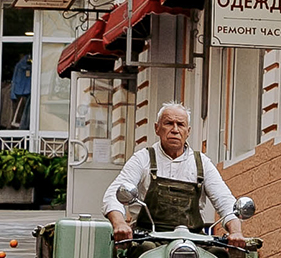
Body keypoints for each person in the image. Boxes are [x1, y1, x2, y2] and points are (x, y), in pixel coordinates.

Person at [101, 102, 245, 240]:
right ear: (157, 128)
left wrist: (236, 232)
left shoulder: (201, 163)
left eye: (180, 125)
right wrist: (119, 223)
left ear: (188, 131)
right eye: (169, 123)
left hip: (192, 241)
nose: (175, 130)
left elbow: (225, 201)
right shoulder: (142, 158)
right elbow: (114, 194)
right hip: (147, 238)